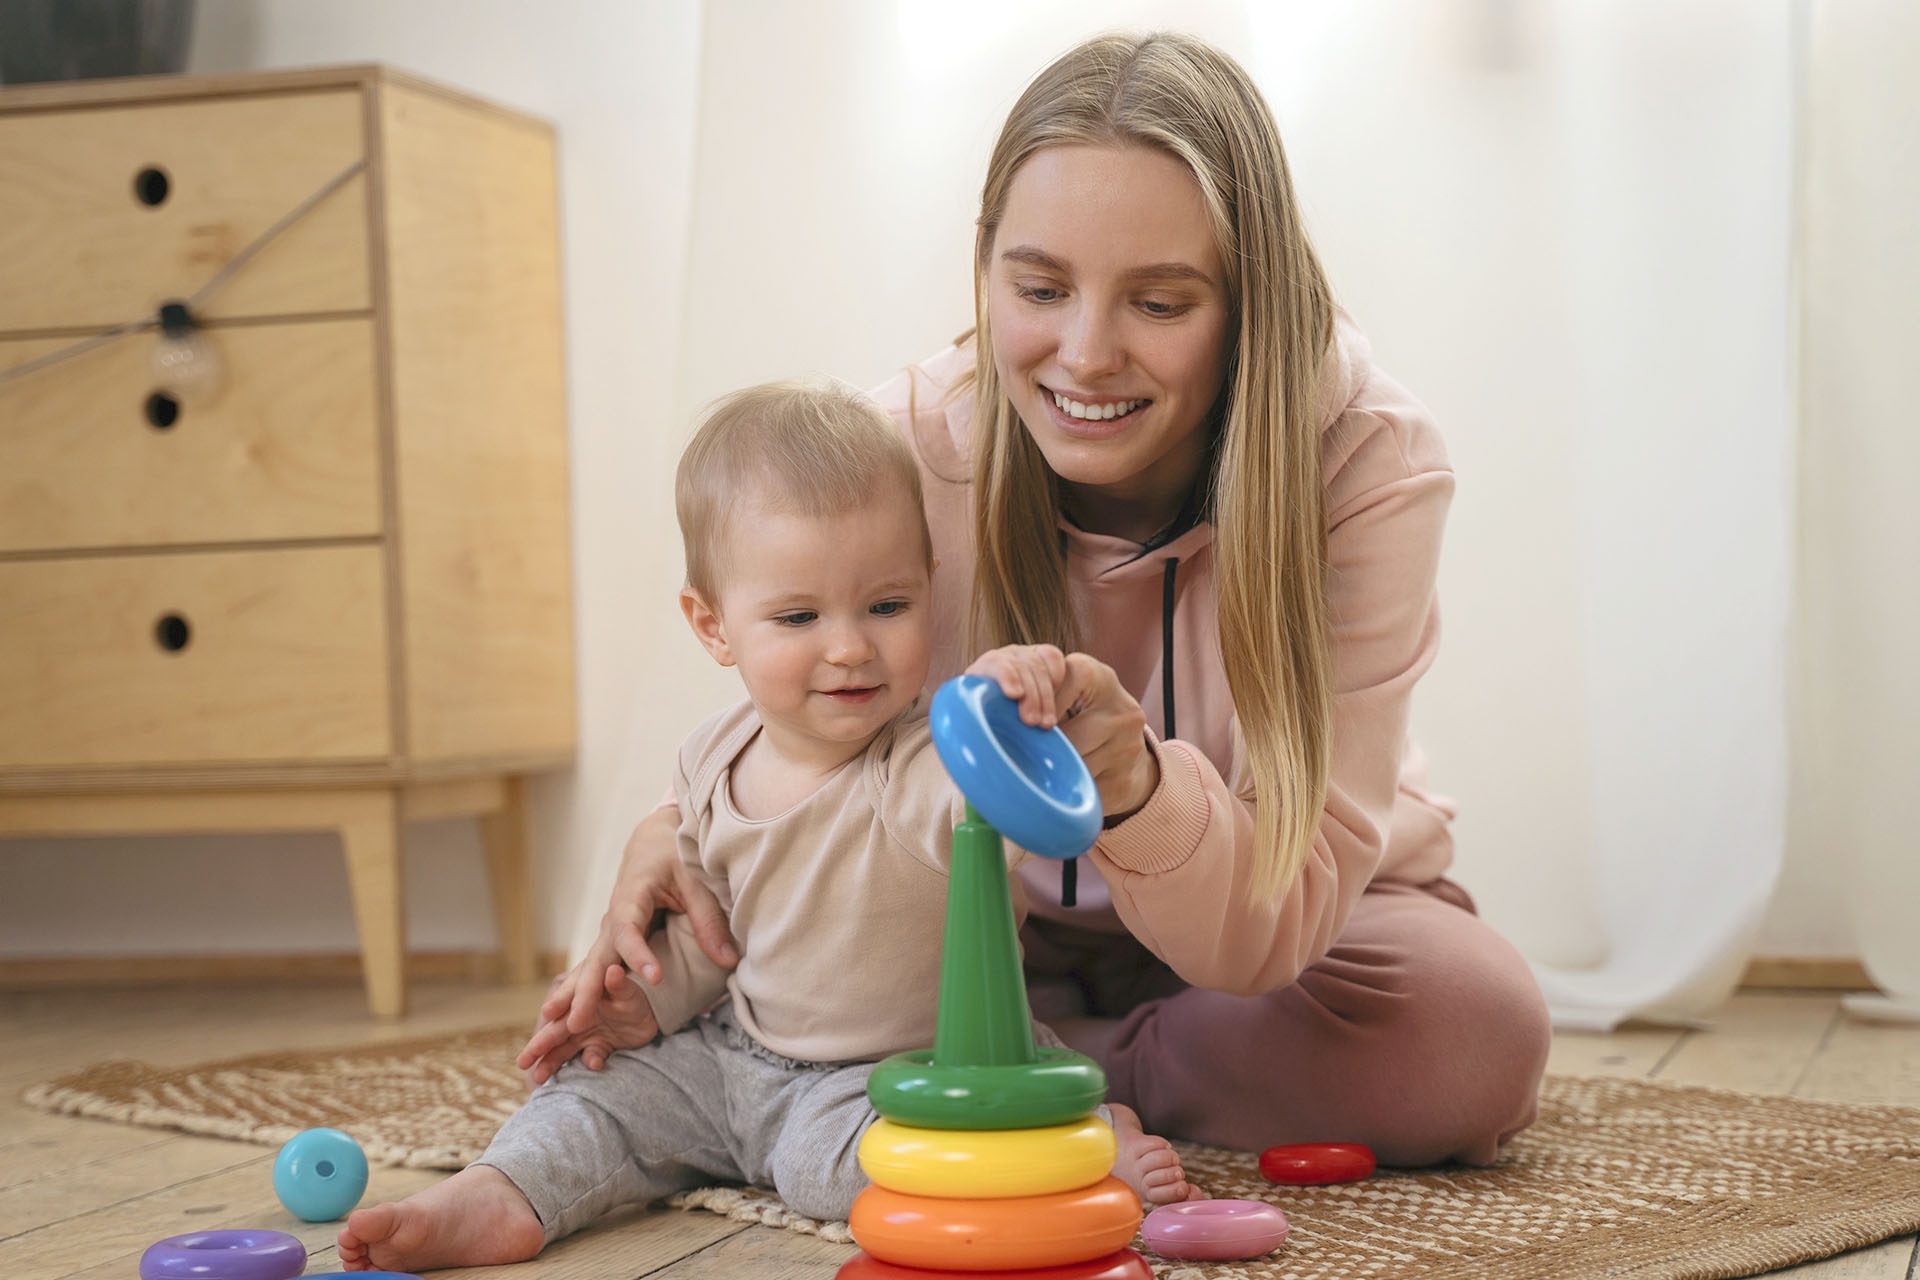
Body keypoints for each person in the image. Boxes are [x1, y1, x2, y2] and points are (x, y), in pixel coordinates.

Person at [536, 30, 1552, 1170]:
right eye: (1038, 288)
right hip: (992, 925)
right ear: (985, 265)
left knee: (1473, 1031)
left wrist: (1135, 786)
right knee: (816, 967)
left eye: (1160, 302)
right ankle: (1024, 1052)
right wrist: (672, 827)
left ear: (1248, 298)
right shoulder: (902, 450)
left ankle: (1027, 1068)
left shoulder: (1366, 461)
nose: (1084, 354)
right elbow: (808, 718)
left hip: (1288, 926)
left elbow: (1276, 917)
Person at [337, 381, 1196, 1274]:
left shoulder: (923, 766)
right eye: (798, 617)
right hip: (734, 1054)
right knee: (590, 1097)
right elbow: (715, 935)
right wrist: (642, 1007)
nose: (850, 647)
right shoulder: (711, 760)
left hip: (893, 1075)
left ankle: (1068, 1149)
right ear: (713, 627)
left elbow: (994, 802)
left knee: (839, 1167)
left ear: (927, 591)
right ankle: (501, 1194)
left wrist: (1017, 703)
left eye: (887, 606)